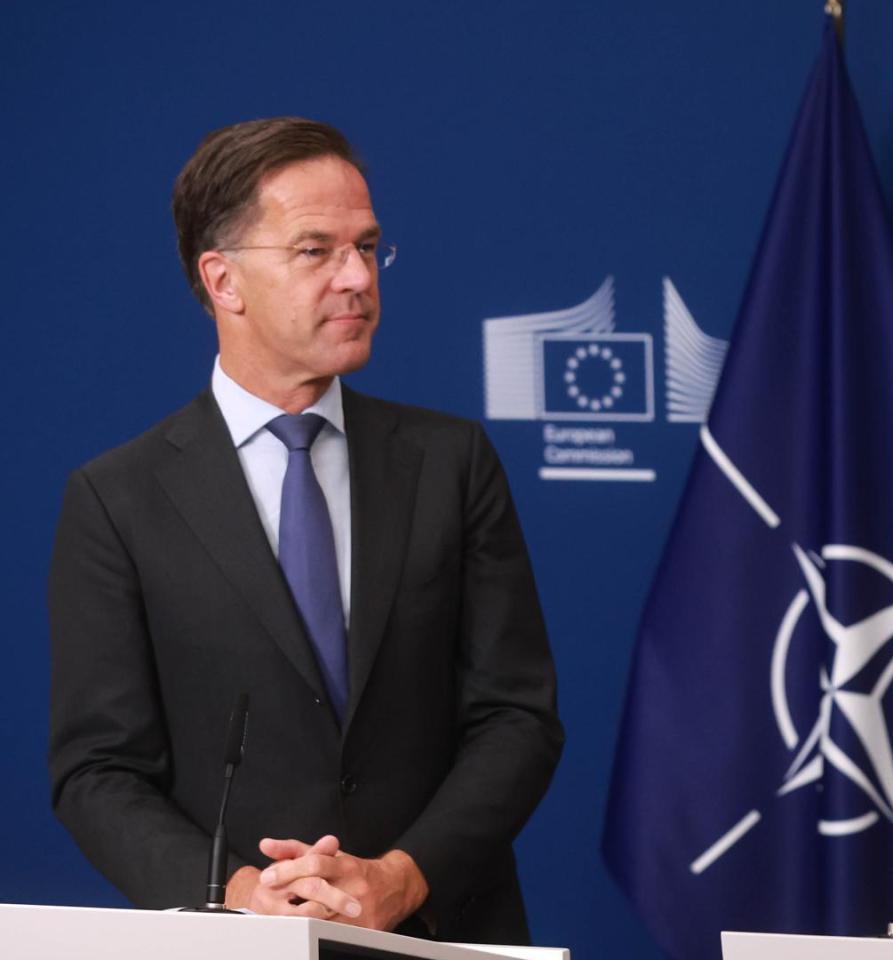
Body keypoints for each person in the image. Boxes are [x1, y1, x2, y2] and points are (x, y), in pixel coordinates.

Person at [47, 117, 564, 943]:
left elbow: (517, 716)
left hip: (441, 927)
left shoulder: (450, 461)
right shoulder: (119, 499)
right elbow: (97, 769)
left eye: (368, 247)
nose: (357, 277)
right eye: (315, 251)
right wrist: (240, 893)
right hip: (233, 940)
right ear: (223, 280)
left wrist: (401, 878)